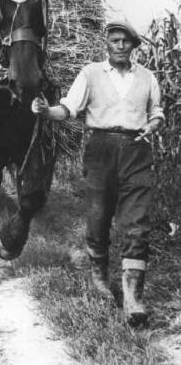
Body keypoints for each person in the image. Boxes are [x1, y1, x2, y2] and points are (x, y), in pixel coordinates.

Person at [32, 18, 164, 326]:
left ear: (134, 46)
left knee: (137, 223)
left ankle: (132, 297)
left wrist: (154, 123)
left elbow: (156, 111)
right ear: (106, 44)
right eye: (115, 41)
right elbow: (68, 109)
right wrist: (45, 111)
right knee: (98, 216)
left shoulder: (147, 77)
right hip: (100, 149)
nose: (120, 46)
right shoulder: (90, 74)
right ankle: (100, 281)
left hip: (137, 149)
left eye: (125, 42)